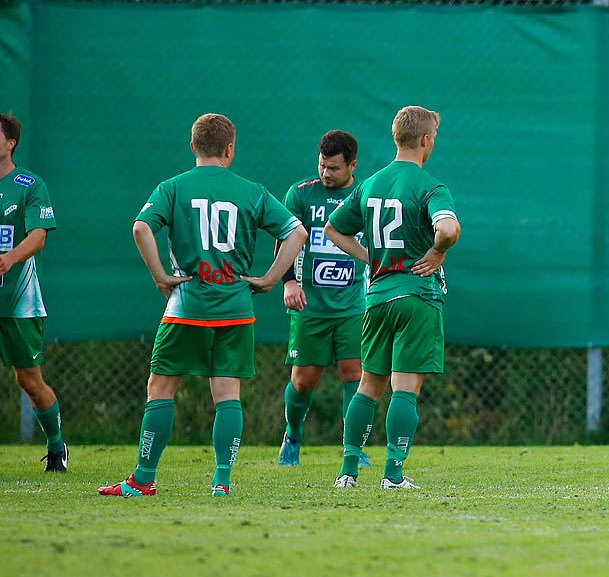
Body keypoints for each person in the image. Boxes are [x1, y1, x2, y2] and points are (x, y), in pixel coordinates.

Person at [104, 113, 304, 497]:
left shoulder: (173, 187)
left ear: (193, 146)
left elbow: (140, 227)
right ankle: (222, 480)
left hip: (187, 306)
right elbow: (297, 232)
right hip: (236, 308)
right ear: (230, 149)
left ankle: (143, 479)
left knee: (161, 388)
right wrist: (269, 278)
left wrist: (160, 276)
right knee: (228, 393)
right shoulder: (252, 190)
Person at [324, 106, 459, 490]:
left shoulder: (370, 184)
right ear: (425, 140)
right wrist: (437, 252)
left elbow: (334, 229)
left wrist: (372, 257)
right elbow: (447, 229)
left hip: (377, 297)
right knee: (405, 387)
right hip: (416, 295)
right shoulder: (431, 186)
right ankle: (393, 475)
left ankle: (347, 472)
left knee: (369, 384)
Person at [276, 129, 370, 467]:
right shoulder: (300, 195)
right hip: (310, 305)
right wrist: (288, 283)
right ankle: (293, 435)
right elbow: (285, 241)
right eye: (322, 166)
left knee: (353, 372)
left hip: (353, 305)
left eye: (333, 168)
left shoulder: (364, 195)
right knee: (304, 380)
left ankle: (353, 447)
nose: (325, 174)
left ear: (352, 165)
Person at [0, 113, 67, 472]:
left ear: (10, 143)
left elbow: (38, 235)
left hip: (17, 301)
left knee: (29, 380)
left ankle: (56, 446)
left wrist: (8, 259)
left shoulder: (28, 184)